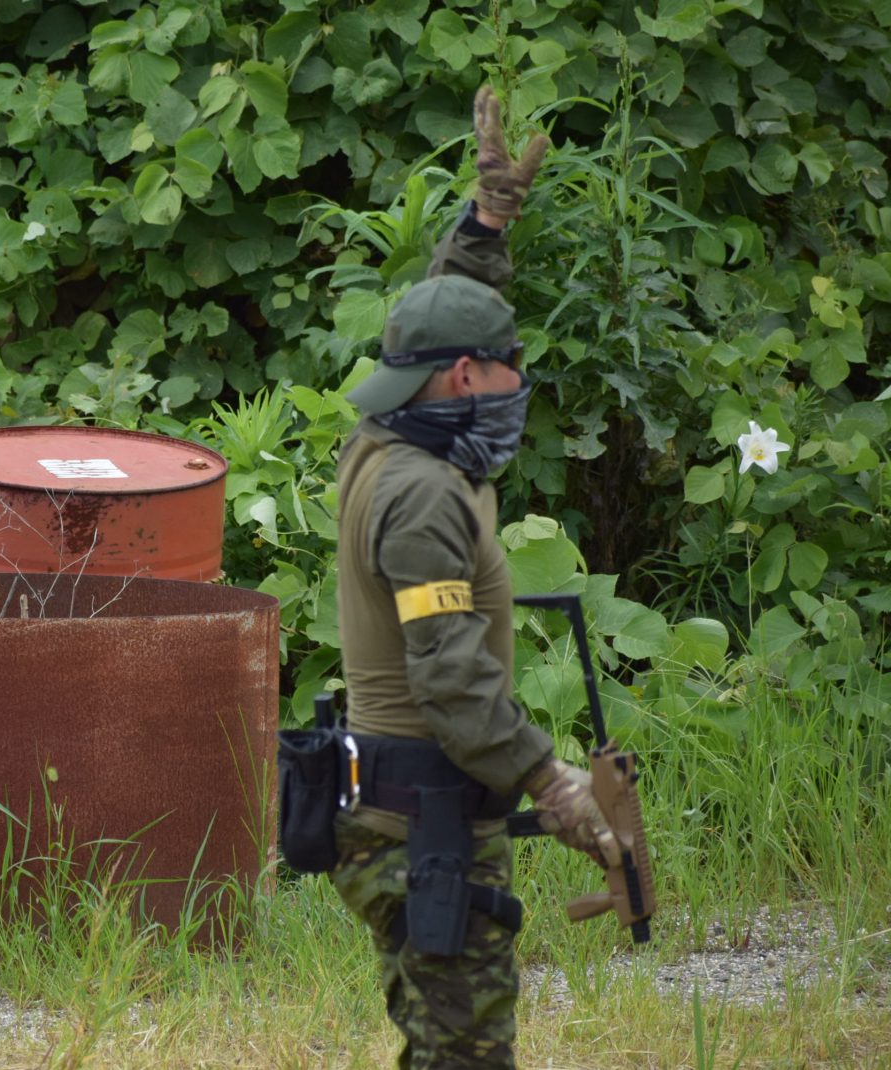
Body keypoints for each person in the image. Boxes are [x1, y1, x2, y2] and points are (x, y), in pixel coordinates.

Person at [329, 88, 617, 1068]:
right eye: (508, 367)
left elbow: (438, 310)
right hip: (426, 823)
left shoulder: (389, 433)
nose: (518, 385)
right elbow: (450, 680)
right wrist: (550, 780)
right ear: (463, 378)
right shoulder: (422, 497)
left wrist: (487, 222)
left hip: (411, 809)